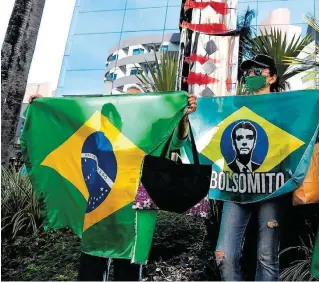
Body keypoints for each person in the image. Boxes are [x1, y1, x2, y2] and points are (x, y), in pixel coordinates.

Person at [27, 93, 197, 281]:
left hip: (133, 219)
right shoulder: (95, 141)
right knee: (91, 271)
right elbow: (65, 124)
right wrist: (45, 104)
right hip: (98, 216)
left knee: (128, 274)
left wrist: (183, 116)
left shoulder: (149, 137)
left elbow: (176, 142)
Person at [214, 54, 319, 281]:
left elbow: (303, 140)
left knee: (266, 256)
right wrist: (193, 113)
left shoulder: (285, 109)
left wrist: (318, 112)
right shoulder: (235, 107)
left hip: (272, 189)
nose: (251, 75)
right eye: (247, 72)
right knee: (223, 255)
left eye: (258, 71)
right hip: (236, 188)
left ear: (272, 78)